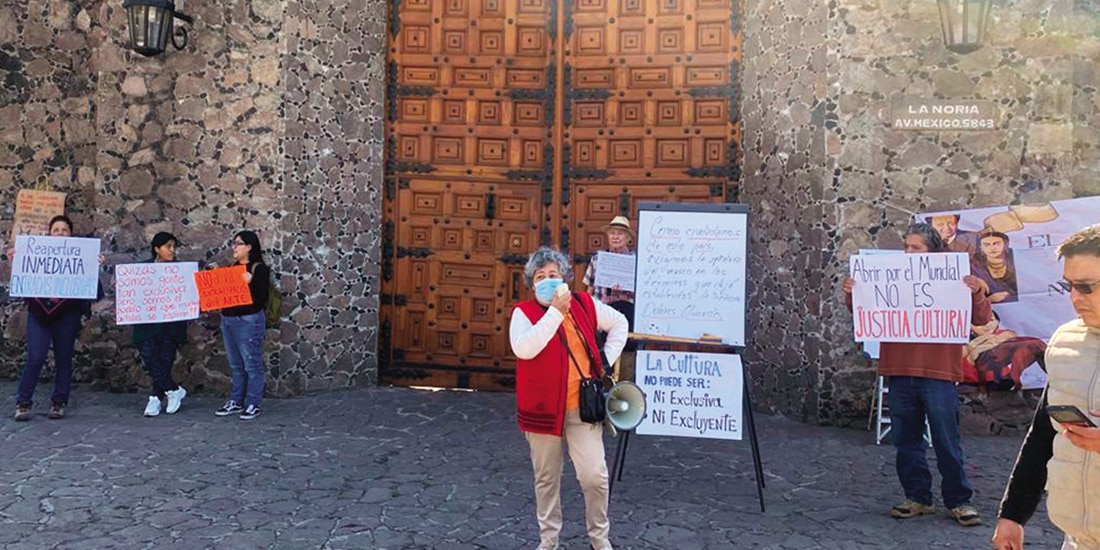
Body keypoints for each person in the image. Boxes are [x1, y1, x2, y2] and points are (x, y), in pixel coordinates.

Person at [844, 223, 991, 526]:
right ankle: (917, 497)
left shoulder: (957, 276)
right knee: (907, 440)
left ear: (933, 251)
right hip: (899, 371)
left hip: (939, 373)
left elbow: (981, 318)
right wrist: (853, 292)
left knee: (946, 440)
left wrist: (976, 292)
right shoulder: (892, 273)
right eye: (906, 247)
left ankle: (959, 501)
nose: (909, 253)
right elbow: (866, 310)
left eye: (916, 247)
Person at [509, 246, 628, 550]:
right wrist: (555, 313)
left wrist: (603, 361)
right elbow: (525, 348)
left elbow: (620, 325)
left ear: (564, 277)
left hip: (581, 407)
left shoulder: (585, 304)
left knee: (594, 476)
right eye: (540, 276)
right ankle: (549, 541)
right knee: (547, 479)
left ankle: (599, 539)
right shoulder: (523, 313)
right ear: (532, 282)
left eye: (553, 274)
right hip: (541, 410)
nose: (547, 279)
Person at [992, 224, 1100, 550]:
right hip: (1078, 540)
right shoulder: (1066, 343)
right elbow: (1043, 434)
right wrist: (1013, 514)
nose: (1074, 298)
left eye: (1085, 287)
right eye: (1069, 286)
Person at [10, 215, 104, 421]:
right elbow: (23, 280)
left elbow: (93, 291)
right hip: (38, 313)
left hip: (67, 315)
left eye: (64, 230)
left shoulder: (81, 257)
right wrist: (16, 261)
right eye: (56, 230)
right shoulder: (35, 255)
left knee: (63, 359)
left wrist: (93, 266)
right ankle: (23, 402)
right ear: (49, 233)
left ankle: (59, 402)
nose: (60, 233)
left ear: (70, 234)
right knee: (35, 358)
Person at [213, 230, 270, 420]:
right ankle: (236, 400)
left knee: (252, 364)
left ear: (249, 247)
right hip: (229, 319)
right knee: (236, 364)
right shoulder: (233, 267)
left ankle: (253, 402)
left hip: (248, 321)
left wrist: (251, 282)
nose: (234, 247)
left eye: (238, 243)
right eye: (234, 243)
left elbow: (262, 298)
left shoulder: (258, 269)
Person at [132, 232, 189, 417]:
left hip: (170, 324)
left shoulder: (180, 271)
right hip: (147, 323)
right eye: (167, 246)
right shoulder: (142, 269)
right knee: (150, 357)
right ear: (157, 249)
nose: (172, 250)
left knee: (165, 360)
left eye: (174, 246)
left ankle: (155, 398)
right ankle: (173, 390)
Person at [583, 215, 637, 381]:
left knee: (627, 347)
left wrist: (627, 289)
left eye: (620, 233)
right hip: (603, 310)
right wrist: (586, 310)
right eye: (612, 233)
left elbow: (643, 291)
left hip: (627, 309)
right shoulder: (598, 258)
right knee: (601, 347)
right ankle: (603, 385)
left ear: (628, 238)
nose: (615, 236)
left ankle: (624, 385)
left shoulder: (636, 259)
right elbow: (589, 287)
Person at [970, 230, 1019, 303]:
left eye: (996, 244)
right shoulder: (974, 266)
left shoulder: (1017, 259)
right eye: (986, 245)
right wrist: (989, 300)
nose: (992, 248)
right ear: (981, 248)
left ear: (1006, 245)